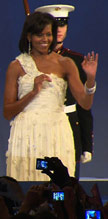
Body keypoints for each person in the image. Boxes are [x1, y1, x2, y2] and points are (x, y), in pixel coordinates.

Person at [3, 12, 98, 181]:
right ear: (29, 36)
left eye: (48, 34)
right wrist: (33, 92)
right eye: (39, 35)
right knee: (28, 190)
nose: (45, 39)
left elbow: (85, 103)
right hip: (26, 135)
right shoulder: (16, 66)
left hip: (57, 133)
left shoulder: (65, 63)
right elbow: (7, 112)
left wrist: (90, 79)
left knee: (58, 189)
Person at [35, 4, 94, 179]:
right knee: (41, 186)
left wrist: (86, 145)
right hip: (41, 133)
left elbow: (83, 106)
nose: (59, 29)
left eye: (63, 24)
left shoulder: (76, 60)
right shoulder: (32, 60)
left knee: (68, 188)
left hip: (70, 131)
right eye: (54, 25)